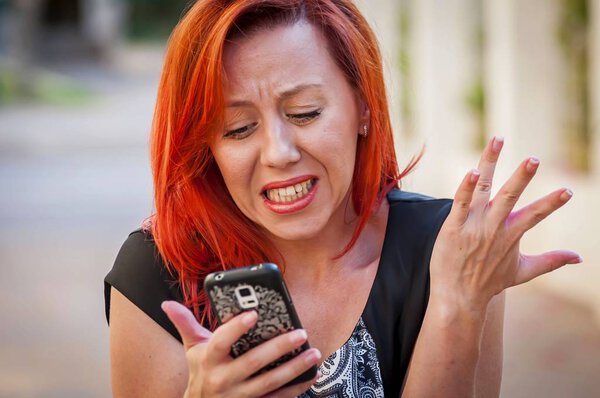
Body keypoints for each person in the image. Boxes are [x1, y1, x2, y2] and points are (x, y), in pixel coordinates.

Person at [103, 1, 582, 397]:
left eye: (305, 113)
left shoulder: (455, 250)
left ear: (364, 108)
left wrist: (456, 305)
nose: (279, 154)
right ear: (207, 145)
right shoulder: (157, 272)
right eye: (239, 128)